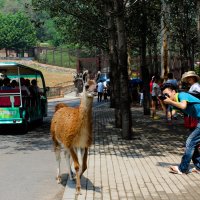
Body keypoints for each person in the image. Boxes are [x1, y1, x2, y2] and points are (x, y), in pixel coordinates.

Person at [160, 83, 200, 174]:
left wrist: (170, 102)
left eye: (167, 94)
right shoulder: (175, 101)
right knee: (192, 143)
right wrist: (162, 103)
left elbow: (183, 106)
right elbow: (170, 114)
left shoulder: (182, 95)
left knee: (190, 142)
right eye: (164, 95)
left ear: (173, 92)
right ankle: (198, 167)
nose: (166, 96)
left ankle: (182, 168)